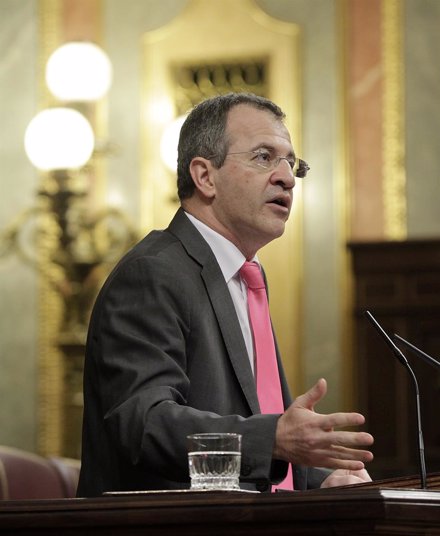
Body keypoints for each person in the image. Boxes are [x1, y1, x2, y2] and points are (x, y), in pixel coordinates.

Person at [77, 92, 374, 496]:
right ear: (204, 176)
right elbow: (143, 424)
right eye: (264, 157)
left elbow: (256, 443)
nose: (287, 177)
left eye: (292, 163)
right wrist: (273, 438)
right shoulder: (153, 273)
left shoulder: (245, 277)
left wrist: (323, 481)